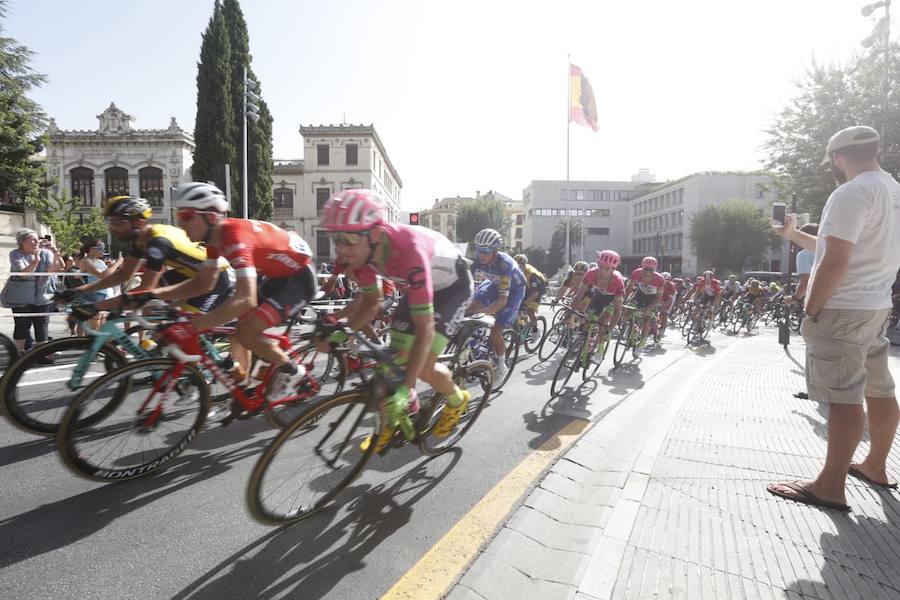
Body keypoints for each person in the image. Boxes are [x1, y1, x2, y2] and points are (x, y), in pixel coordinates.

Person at [768, 125, 900, 511]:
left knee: (843, 397)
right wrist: (795, 236)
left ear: (838, 159)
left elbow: (836, 262)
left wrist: (812, 308)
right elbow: (838, 248)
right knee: (879, 387)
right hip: (875, 304)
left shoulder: (851, 193)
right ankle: (875, 465)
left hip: (843, 307)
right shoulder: (892, 190)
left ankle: (830, 485)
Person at [319, 189, 474, 450]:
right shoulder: (363, 254)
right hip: (422, 287)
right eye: (336, 238)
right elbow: (371, 303)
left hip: (453, 289)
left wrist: (408, 388)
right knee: (389, 365)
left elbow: (424, 329)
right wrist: (342, 332)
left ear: (375, 234)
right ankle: (391, 422)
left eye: (348, 238)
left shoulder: (409, 250)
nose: (341, 248)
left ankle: (458, 400)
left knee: (423, 366)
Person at [133, 182, 316, 402]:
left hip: (298, 279)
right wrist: (154, 294)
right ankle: (249, 382)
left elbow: (245, 299)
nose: (181, 223)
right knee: (237, 332)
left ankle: (293, 371)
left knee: (247, 329)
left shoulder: (236, 238)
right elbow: (202, 284)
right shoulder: (215, 242)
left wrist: (191, 328)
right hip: (276, 276)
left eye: (187, 216)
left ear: (210, 217)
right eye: (179, 216)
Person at [467, 228, 526, 381]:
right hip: (493, 284)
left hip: (513, 292)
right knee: (470, 309)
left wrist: (484, 314)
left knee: (495, 332)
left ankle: (501, 365)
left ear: (496, 250)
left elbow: (502, 301)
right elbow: (464, 281)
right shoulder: (478, 258)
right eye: (479, 249)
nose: (481, 254)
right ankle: (475, 343)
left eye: (485, 251)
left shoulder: (505, 265)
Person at [6, 229, 64, 352]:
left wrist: (55, 256)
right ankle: (18, 355)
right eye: (33, 239)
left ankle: (42, 354)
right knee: (22, 325)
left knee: (42, 325)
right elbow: (23, 274)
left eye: (37, 239)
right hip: (21, 297)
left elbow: (52, 271)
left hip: (43, 295)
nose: (37, 241)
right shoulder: (15, 254)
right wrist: (36, 260)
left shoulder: (46, 253)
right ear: (22, 242)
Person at [571, 250, 624, 339]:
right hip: (599, 296)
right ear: (598, 265)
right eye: (601, 267)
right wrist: (572, 310)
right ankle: (585, 344)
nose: (602, 272)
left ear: (613, 269)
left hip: (612, 299)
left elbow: (618, 311)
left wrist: (609, 330)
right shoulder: (591, 273)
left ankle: (600, 347)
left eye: (607, 269)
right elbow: (579, 294)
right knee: (588, 321)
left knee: (602, 323)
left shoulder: (618, 281)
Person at [624, 256, 665, 358]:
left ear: (654, 270)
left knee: (647, 319)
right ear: (642, 268)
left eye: (650, 270)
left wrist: (649, 308)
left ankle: (641, 343)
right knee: (627, 310)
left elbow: (659, 298)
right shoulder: (636, 273)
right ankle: (630, 328)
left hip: (653, 299)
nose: (647, 272)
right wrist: (623, 299)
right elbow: (629, 288)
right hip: (640, 296)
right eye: (645, 269)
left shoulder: (660, 279)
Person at [785, 223, 819, 306]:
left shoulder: (804, 255)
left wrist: (794, 298)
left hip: (819, 302)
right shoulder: (831, 251)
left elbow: (805, 282)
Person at [513, 253, 547, 327]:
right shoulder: (515, 271)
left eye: (520, 266)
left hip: (539, 288)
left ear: (524, 265)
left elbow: (535, 293)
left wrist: (525, 303)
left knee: (529, 310)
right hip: (528, 286)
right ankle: (523, 326)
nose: (518, 268)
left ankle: (535, 329)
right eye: (516, 266)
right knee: (518, 306)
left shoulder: (531, 275)